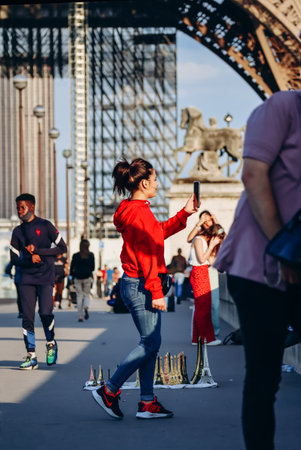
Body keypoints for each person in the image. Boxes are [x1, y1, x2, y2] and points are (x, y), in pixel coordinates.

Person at [214, 90, 301, 450]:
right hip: (259, 267)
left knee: (264, 378)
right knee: (264, 379)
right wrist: (283, 249)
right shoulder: (284, 107)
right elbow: (252, 174)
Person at [92, 157, 197, 420]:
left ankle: (147, 402)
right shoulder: (139, 212)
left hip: (136, 283)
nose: (158, 183)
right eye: (155, 178)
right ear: (144, 182)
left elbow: (157, 233)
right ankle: (110, 389)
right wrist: (157, 292)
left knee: (150, 344)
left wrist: (184, 214)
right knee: (150, 343)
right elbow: (147, 254)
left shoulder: (134, 209)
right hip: (142, 285)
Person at [10, 193, 67, 369]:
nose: (19, 211)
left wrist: (40, 252)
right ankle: (31, 355)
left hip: (45, 277)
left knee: (45, 313)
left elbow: (62, 248)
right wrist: (28, 259)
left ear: (32, 207)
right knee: (27, 316)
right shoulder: (17, 231)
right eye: (18, 208)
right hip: (25, 278)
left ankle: (51, 343)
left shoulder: (45, 225)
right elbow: (13, 258)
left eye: (22, 207)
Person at [187, 210, 223, 346]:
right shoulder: (200, 238)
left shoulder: (209, 237)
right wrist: (199, 223)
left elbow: (223, 235)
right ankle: (205, 338)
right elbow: (202, 258)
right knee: (203, 307)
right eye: (205, 220)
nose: (207, 222)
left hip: (205, 271)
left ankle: (200, 337)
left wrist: (217, 221)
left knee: (205, 306)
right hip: (201, 271)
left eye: (209, 220)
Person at [70, 239, 95, 322]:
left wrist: (71, 277)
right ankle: (86, 306)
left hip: (77, 277)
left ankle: (80, 316)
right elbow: (93, 268)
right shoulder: (91, 255)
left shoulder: (76, 255)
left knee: (79, 296)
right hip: (87, 277)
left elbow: (72, 267)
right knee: (87, 294)